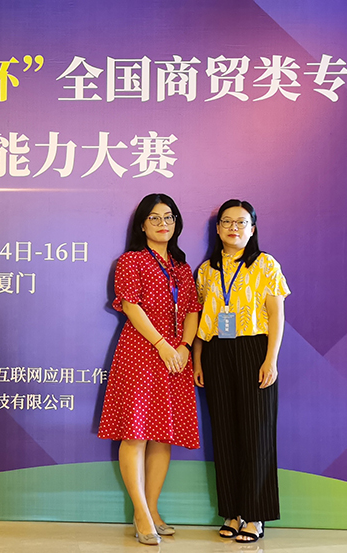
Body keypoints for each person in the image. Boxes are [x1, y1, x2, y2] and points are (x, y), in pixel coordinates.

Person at [98, 193, 201, 546]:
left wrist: (184, 347)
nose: (163, 224)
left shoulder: (182, 267)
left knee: (163, 434)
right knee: (136, 432)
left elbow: (192, 310)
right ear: (142, 224)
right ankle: (140, 513)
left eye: (169, 217)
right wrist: (162, 344)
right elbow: (130, 305)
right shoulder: (131, 261)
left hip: (176, 357)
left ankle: (153, 509)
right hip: (142, 352)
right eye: (154, 218)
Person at [192, 199, 290, 543]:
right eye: (227, 222)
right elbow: (202, 319)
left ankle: (255, 515)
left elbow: (276, 315)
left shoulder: (266, 264)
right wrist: (198, 360)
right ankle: (232, 511)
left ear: (252, 229)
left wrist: (271, 359)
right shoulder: (207, 270)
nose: (234, 228)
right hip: (217, 351)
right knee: (224, 433)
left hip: (254, 350)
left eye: (241, 222)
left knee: (256, 433)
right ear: (218, 228)